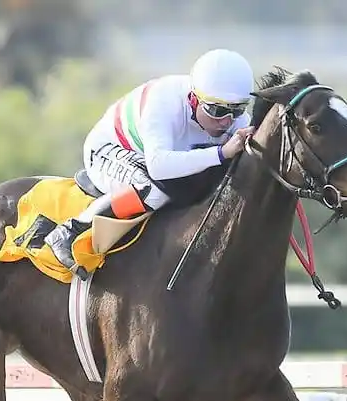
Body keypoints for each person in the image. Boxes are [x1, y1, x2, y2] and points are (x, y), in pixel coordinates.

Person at [44, 48, 257, 279]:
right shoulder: (164, 103)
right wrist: (221, 153)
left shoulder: (231, 115)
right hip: (110, 150)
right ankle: (70, 230)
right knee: (153, 190)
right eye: (217, 111)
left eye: (237, 110)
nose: (227, 121)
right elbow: (159, 167)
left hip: (154, 156)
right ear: (194, 100)